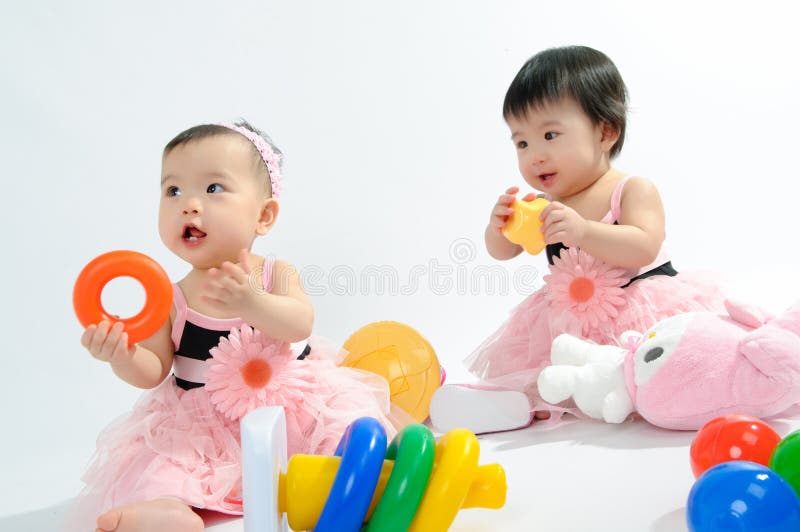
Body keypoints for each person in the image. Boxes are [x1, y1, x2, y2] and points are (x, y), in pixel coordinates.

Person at [70, 120, 405, 532]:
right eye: (173, 190)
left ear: (263, 215)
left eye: (213, 189)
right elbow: (152, 370)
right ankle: (169, 510)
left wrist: (251, 301)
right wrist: (122, 355)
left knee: (342, 433)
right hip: (204, 423)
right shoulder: (172, 298)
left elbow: (300, 323)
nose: (188, 204)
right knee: (169, 466)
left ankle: (357, 482)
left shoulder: (275, 274)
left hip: (295, 406)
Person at [430, 46, 724, 434]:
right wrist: (497, 227)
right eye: (522, 143)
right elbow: (503, 251)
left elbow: (644, 245)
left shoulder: (630, 189)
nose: (535, 156)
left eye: (549, 135)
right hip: (572, 325)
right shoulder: (543, 205)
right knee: (547, 372)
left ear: (605, 131)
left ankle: (663, 393)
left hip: (639, 308)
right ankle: (514, 405)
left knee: (660, 358)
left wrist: (583, 231)